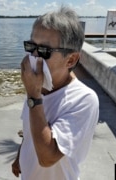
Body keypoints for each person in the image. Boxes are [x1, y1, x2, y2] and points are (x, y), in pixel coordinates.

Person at [11, 5, 99, 180]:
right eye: (31, 47)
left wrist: (33, 96)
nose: (34, 56)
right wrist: (19, 156)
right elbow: (29, 130)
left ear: (71, 59)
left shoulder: (84, 99)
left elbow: (48, 157)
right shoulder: (38, 87)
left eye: (44, 51)